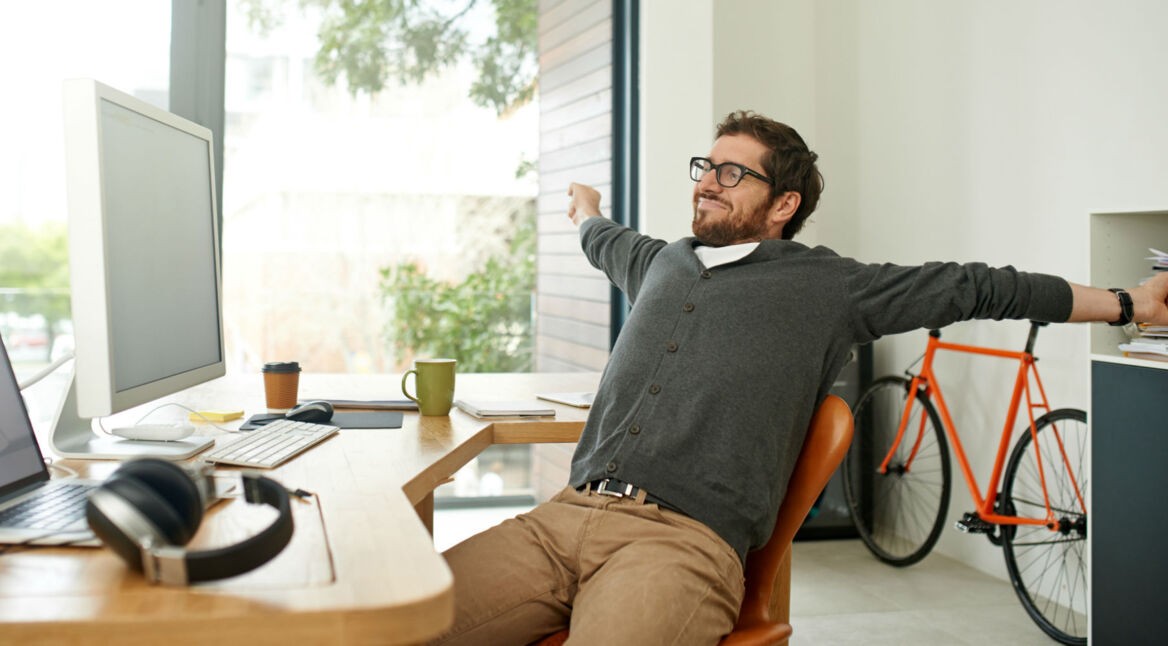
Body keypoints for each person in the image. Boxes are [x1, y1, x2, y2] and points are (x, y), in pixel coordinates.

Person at [432, 110, 1168, 645]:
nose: (708, 184)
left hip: (680, 544)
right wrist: (586, 209)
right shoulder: (658, 260)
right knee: (387, 620)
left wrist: (1130, 303)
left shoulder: (830, 288)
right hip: (560, 520)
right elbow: (598, 238)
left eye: (733, 173)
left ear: (783, 205)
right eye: (706, 167)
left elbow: (977, 286)